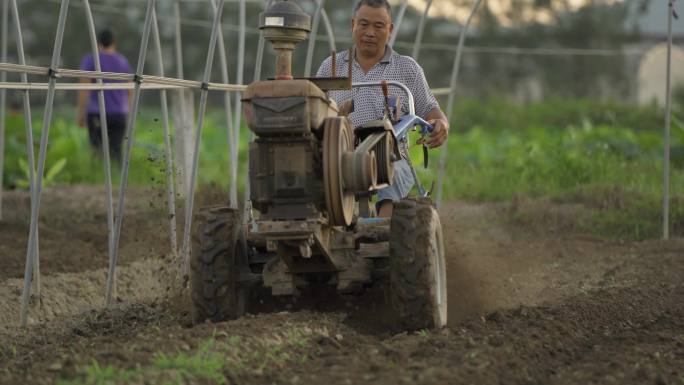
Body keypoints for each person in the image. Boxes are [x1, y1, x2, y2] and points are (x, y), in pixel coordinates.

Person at [316, 0, 449, 217]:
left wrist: (441, 124)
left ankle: (384, 233)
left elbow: (431, 110)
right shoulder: (331, 67)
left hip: (392, 155)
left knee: (389, 172)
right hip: (338, 154)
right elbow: (316, 114)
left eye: (378, 26)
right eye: (364, 24)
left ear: (390, 30)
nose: (370, 32)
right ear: (353, 25)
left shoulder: (407, 69)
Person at [77, 29, 133, 163]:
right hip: (119, 113)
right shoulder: (122, 61)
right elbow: (130, 90)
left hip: (97, 113)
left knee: (97, 151)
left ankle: (99, 179)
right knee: (117, 150)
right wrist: (129, 112)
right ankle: (117, 180)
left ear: (98, 43)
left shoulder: (91, 60)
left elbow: (84, 88)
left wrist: (80, 113)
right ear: (114, 43)